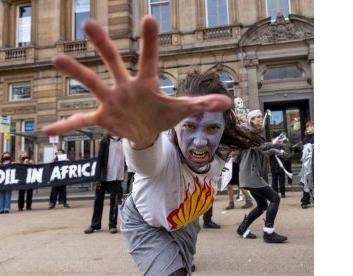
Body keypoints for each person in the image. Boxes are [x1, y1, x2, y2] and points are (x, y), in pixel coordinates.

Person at [42, 16, 256, 275]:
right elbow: (148, 161)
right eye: (189, 126)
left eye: (212, 128)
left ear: (224, 128)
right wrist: (141, 137)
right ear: (175, 124)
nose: (200, 141)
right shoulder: (164, 149)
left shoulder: (222, 147)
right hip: (145, 221)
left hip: (184, 221)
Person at [236, 109, 288, 243]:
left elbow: (262, 152)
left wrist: (277, 151)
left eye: (260, 116)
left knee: (262, 205)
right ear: (251, 120)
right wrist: (275, 145)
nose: (260, 119)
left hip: (251, 175)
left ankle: (242, 228)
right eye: (257, 117)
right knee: (275, 197)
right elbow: (260, 147)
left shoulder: (256, 134)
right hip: (251, 175)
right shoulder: (249, 134)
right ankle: (269, 233)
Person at [84, 134, 125, 234]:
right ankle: (95, 224)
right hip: (104, 176)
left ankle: (112, 225)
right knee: (98, 200)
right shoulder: (105, 141)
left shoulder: (125, 141)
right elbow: (99, 160)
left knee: (114, 201)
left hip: (117, 177)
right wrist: (97, 178)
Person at [300, 120, 314, 209]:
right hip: (308, 163)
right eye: (309, 126)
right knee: (307, 182)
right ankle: (305, 200)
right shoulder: (306, 137)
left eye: (312, 126)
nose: (311, 127)